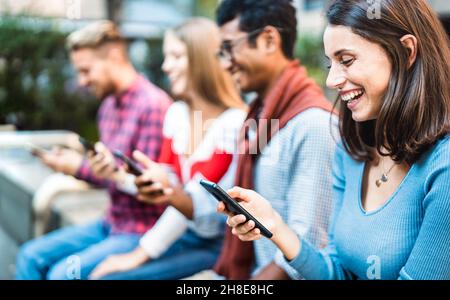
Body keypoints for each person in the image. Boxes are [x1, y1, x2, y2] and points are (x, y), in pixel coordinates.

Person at [222, 0, 450, 280]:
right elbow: (336, 271)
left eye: (347, 60)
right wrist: (274, 225)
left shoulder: (443, 166)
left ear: (406, 51)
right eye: (330, 63)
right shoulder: (352, 149)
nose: (331, 80)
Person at [87, 18, 248, 280]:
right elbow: (166, 181)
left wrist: (139, 254)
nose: (166, 66)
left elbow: (194, 199)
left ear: (202, 61)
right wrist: (114, 173)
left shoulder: (234, 123)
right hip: (180, 233)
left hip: (215, 243)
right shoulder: (177, 114)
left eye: (175, 56)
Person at [189, 0, 337, 280]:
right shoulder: (259, 117)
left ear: (269, 39)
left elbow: (308, 247)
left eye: (229, 48)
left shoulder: (312, 126)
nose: (225, 63)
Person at [15, 21, 172, 280]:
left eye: (86, 70)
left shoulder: (153, 106)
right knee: (30, 256)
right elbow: (108, 174)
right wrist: (78, 166)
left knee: (63, 274)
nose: (82, 81)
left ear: (113, 56)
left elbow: (151, 190)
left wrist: (77, 166)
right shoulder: (108, 107)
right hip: (111, 223)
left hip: (142, 230)